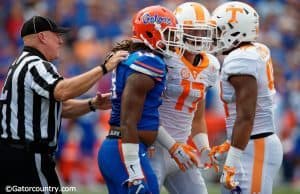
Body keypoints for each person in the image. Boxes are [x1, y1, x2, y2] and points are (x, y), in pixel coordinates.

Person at [0, 16, 128, 193]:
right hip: (28, 156)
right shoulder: (35, 64)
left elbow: (61, 107)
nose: (61, 41)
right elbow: (62, 91)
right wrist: (104, 68)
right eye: (56, 35)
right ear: (43, 37)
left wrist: (93, 104)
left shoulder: (24, 63)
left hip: (20, 155)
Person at [97, 5, 199, 194]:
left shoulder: (142, 59)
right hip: (123, 147)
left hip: (121, 147)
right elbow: (128, 121)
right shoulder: (148, 63)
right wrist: (134, 171)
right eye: (169, 34)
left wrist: (174, 149)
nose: (174, 40)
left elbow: (147, 116)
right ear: (152, 33)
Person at [209, 1, 283, 193]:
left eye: (219, 30)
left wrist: (232, 160)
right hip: (249, 143)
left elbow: (246, 116)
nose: (215, 36)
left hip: (254, 146)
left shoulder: (241, 59)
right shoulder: (254, 50)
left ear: (235, 31)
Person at [148, 2, 220, 194]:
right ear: (176, 30)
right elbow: (146, 112)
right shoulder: (163, 58)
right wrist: (173, 147)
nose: (197, 37)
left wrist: (204, 148)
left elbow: (197, 118)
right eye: (191, 31)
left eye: (201, 32)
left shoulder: (211, 65)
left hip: (183, 149)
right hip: (153, 147)